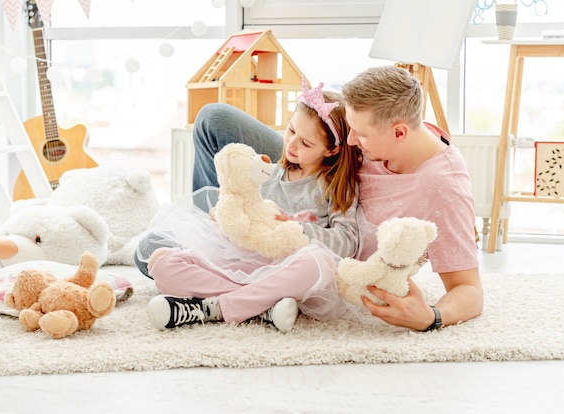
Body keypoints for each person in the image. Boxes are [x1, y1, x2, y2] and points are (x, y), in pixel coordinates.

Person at [189, 65, 483, 332]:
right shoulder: (374, 131)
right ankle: (213, 238)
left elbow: (468, 289)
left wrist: (432, 317)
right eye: (351, 127)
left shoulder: (444, 188)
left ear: (399, 133)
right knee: (213, 119)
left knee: (149, 257)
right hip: (318, 169)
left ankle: (222, 276)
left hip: (320, 247)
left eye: (361, 134)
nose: (350, 141)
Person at [139, 78, 362, 332]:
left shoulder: (336, 187)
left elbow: (348, 241)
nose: (291, 145)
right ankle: (261, 306)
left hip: (289, 271)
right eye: (291, 131)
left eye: (306, 143)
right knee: (161, 261)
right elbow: (243, 220)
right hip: (247, 264)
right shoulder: (266, 173)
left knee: (320, 263)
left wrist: (298, 229)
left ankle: (215, 308)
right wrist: (223, 214)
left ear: (331, 151)